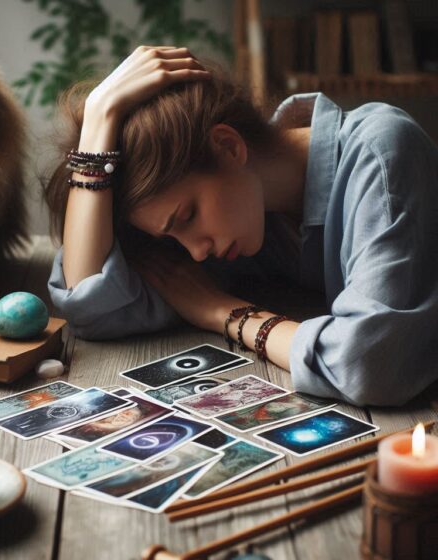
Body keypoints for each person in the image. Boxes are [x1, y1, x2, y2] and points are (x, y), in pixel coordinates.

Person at [46, 46, 438, 407]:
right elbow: (90, 306)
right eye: (171, 236)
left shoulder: (381, 154)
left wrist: (221, 311)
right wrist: (99, 120)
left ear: (229, 147)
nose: (195, 251)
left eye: (186, 217)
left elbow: (368, 366)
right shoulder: (248, 216)